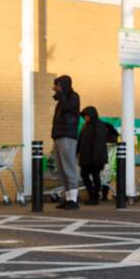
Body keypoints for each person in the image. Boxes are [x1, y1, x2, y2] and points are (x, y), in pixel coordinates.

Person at [51, 75, 81, 210]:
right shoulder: (60, 101)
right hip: (58, 136)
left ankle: (74, 199)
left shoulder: (73, 97)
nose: (54, 89)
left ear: (63, 85)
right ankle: (68, 197)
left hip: (68, 136)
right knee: (61, 169)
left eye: (57, 85)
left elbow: (68, 107)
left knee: (69, 167)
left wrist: (61, 93)